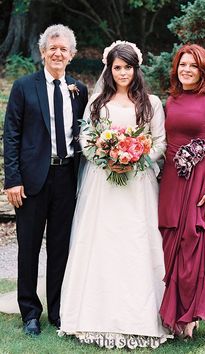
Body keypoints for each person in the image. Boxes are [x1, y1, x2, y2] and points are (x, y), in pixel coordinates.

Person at [59, 41, 173, 349]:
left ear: (137, 69)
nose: (122, 73)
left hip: (138, 184)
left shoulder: (151, 103)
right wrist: (105, 159)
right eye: (117, 68)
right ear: (110, 70)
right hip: (103, 183)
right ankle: (93, 314)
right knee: (101, 240)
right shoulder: (98, 101)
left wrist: (136, 161)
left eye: (128, 67)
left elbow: (160, 142)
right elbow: (85, 138)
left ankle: (142, 317)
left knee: (136, 241)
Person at [3, 24, 88, 335]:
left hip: (67, 177)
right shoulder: (24, 87)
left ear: (72, 55)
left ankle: (58, 311)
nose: (57, 52)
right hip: (31, 179)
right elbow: (11, 136)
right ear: (42, 53)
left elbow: (83, 135)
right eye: (52, 48)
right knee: (28, 247)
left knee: (60, 247)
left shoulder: (79, 89)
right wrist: (13, 179)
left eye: (63, 48)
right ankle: (30, 313)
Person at [158, 44, 205, 351]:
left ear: (204, 70)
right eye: (182, 64)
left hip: (204, 184)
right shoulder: (172, 100)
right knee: (177, 252)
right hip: (173, 185)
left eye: (193, 65)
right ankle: (187, 318)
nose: (186, 69)